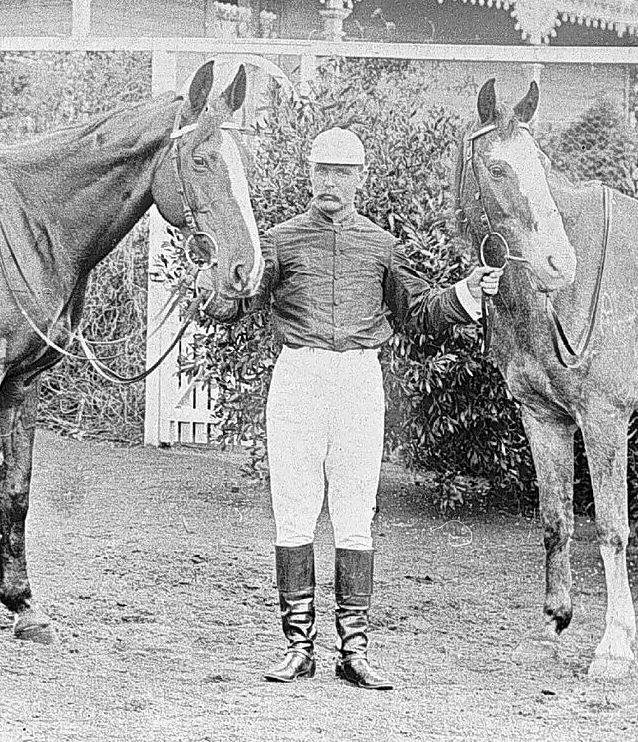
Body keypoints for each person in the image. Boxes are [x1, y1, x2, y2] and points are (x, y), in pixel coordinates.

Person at [201, 126, 502, 691]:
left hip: (359, 382)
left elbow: (418, 311)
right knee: (294, 512)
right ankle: (298, 649)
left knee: (355, 514)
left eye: (341, 172)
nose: (330, 182)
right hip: (298, 377)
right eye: (321, 170)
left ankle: (354, 652)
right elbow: (238, 300)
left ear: (359, 179)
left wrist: (468, 290)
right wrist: (214, 286)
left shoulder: (380, 246)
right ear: (309, 175)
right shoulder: (280, 241)